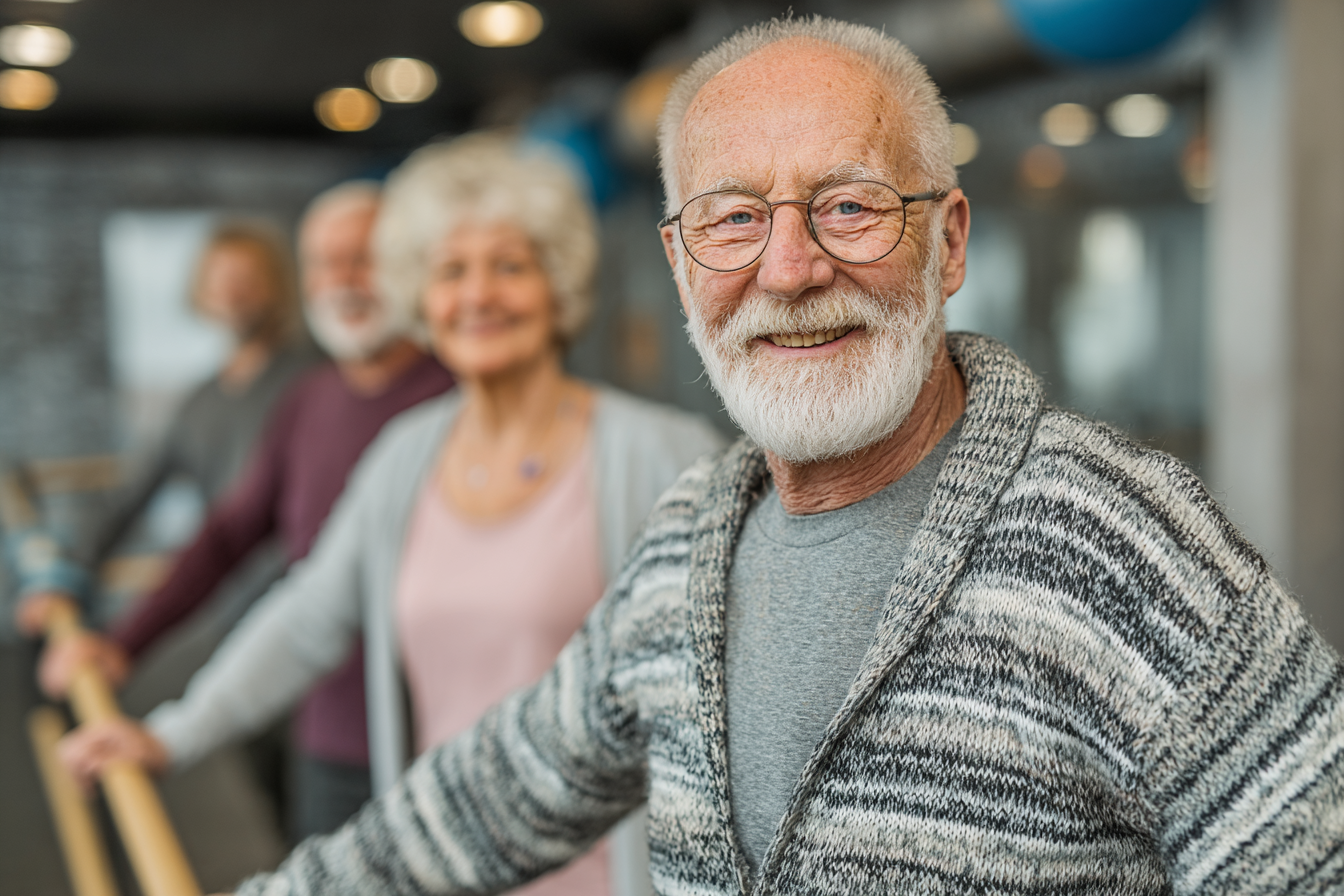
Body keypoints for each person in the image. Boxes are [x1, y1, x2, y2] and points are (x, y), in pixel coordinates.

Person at [70, 17, 1344, 895]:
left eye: (848, 205)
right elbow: (496, 789)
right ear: (681, 266)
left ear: (949, 241)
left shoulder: (1123, 539)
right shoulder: (689, 537)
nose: (788, 269)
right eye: (733, 220)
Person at [59, 132, 724, 895]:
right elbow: (308, 617)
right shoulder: (406, 453)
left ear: (559, 285)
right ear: (419, 298)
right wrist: (171, 734)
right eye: (450, 271)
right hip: (446, 867)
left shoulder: (661, 454)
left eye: (510, 266)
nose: (478, 295)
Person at [37, 179, 456, 838]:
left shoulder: (458, 396)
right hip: (329, 735)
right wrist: (122, 643)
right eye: (325, 263)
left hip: (450, 740)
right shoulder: (307, 399)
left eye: (364, 259)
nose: (343, 280)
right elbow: (230, 534)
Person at [13, 219, 316, 631]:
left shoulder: (314, 383)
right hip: (234, 607)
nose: (233, 292)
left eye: (247, 278)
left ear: (276, 287)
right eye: (221, 278)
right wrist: (65, 575)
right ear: (201, 290)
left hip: (304, 597)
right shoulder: (198, 404)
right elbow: (132, 494)